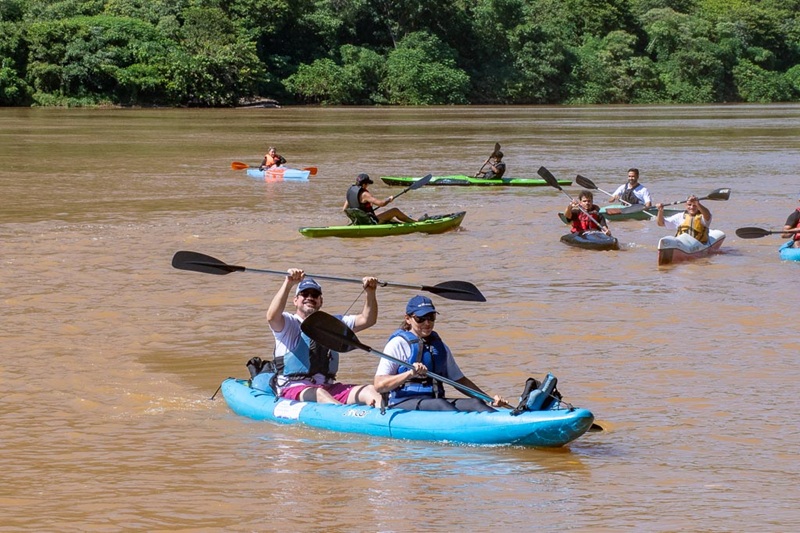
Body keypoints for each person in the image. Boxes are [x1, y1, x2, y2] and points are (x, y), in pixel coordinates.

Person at [266, 269, 383, 406]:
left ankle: (383, 414)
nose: (310, 297)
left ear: (321, 301)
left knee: (370, 390)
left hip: (328, 387)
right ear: (295, 300)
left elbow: (367, 320)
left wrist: (370, 292)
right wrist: (288, 283)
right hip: (292, 388)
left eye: (315, 295)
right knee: (319, 393)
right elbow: (271, 316)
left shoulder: (332, 324)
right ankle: (342, 413)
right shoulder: (288, 323)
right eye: (305, 294)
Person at [374, 295, 505, 412]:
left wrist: (488, 399)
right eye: (420, 318)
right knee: (442, 405)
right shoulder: (398, 344)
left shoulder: (440, 347)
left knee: (476, 403)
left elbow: (459, 380)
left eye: (431, 317)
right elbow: (379, 385)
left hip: (434, 401)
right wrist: (410, 373)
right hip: (402, 403)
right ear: (408, 319)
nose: (427, 323)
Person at [343, 173, 418, 223]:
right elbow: (381, 204)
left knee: (389, 218)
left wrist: (357, 218)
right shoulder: (365, 194)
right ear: (363, 184)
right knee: (395, 211)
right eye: (367, 184)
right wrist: (389, 199)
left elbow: (344, 209)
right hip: (370, 222)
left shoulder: (350, 192)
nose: (367, 186)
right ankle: (415, 223)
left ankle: (398, 223)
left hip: (359, 221)